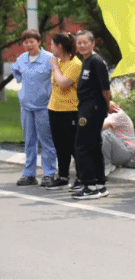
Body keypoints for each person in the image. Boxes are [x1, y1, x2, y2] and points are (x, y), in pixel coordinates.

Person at [11, 30, 57, 187]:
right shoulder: (21, 59)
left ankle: (49, 174)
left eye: (31, 41)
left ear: (39, 41)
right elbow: (16, 72)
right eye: (25, 42)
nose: (28, 45)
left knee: (46, 141)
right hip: (26, 107)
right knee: (29, 141)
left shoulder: (50, 59)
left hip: (44, 106)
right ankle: (29, 174)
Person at [72, 30, 114, 200]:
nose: (82, 45)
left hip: (92, 109)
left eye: (85, 42)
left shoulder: (96, 61)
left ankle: (89, 186)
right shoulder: (86, 60)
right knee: (94, 145)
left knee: (82, 146)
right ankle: (99, 184)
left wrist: (108, 103)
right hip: (87, 107)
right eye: (79, 43)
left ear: (93, 43)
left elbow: (105, 88)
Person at [46, 32, 82, 190]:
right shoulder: (59, 62)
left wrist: (54, 67)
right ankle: (63, 176)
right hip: (54, 109)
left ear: (60, 46)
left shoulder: (75, 63)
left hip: (70, 110)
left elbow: (63, 83)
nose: (51, 48)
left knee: (73, 145)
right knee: (60, 145)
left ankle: (82, 177)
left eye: (52, 45)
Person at [102, 103, 135, 176]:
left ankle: (106, 165)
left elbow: (102, 125)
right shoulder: (109, 115)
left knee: (106, 134)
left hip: (126, 153)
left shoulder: (118, 114)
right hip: (118, 151)